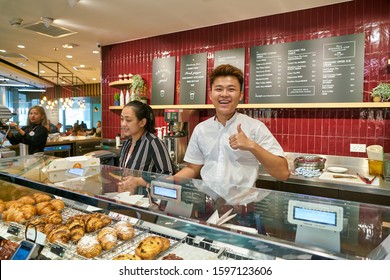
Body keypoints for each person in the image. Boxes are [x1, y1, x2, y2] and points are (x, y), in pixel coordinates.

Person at [175, 64, 290, 188]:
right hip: (209, 203)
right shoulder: (201, 129)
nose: (224, 94)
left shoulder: (255, 127)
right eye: (218, 89)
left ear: (240, 95)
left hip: (243, 204)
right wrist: (166, 182)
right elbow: (193, 168)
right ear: (210, 95)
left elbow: (283, 174)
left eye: (231, 89)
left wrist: (251, 146)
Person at [117, 101, 174, 194]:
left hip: (146, 203)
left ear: (142, 122)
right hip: (126, 201)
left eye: (128, 120)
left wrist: (139, 181)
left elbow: (168, 176)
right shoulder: (126, 144)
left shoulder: (154, 143)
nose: (123, 124)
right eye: (122, 119)